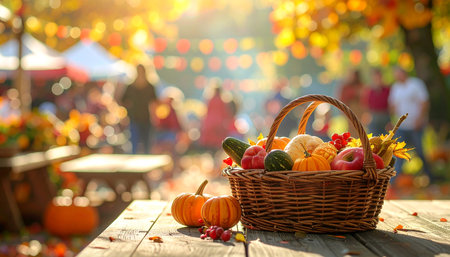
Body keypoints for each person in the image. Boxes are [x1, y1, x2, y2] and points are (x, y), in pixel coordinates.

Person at [388, 67, 433, 182]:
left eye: (398, 74)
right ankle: (394, 180)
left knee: (420, 152)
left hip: (415, 125)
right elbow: (392, 105)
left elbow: (424, 102)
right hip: (402, 126)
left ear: (404, 73)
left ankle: (429, 176)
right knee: (399, 153)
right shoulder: (396, 87)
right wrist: (392, 120)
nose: (397, 77)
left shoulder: (415, 84)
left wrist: (420, 119)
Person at [121, 64, 157, 154]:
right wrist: (128, 112)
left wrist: (154, 116)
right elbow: (123, 100)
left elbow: (154, 103)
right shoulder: (130, 87)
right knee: (134, 143)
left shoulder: (150, 87)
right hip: (134, 118)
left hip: (146, 118)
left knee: (146, 144)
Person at [199, 84, 236, 150]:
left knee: (210, 142)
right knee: (218, 143)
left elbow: (206, 112)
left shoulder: (210, 100)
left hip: (209, 123)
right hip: (219, 124)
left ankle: (212, 155)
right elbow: (225, 113)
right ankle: (215, 156)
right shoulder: (223, 101)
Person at [336, 69, 365, 137]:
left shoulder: (361, 85)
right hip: (349, 108)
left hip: (359, 109)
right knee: (350, 128)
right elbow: (343, 98)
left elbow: (364, 96)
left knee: (359, 128)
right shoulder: (346, 86)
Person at [362, 69, 391, 135]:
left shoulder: (387, 89)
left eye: (378, 77)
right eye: (375, 78)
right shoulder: (369, 90)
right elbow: (365, 104)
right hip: (373, 116)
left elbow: (391, 104)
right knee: (374, 137)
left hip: (385, 116)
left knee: (387, 138)